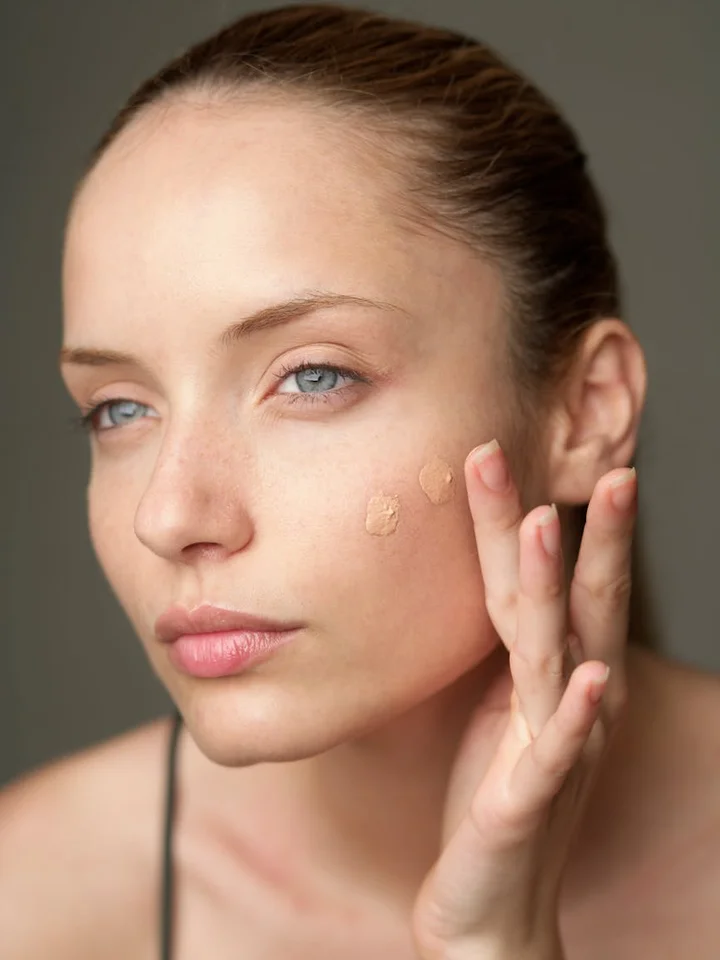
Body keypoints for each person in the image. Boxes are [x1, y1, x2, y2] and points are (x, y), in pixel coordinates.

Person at [1, 2, 719, 958]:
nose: (168, 516)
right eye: (118, 410)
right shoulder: (37, 898)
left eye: (313, 376)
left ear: (586, 411)